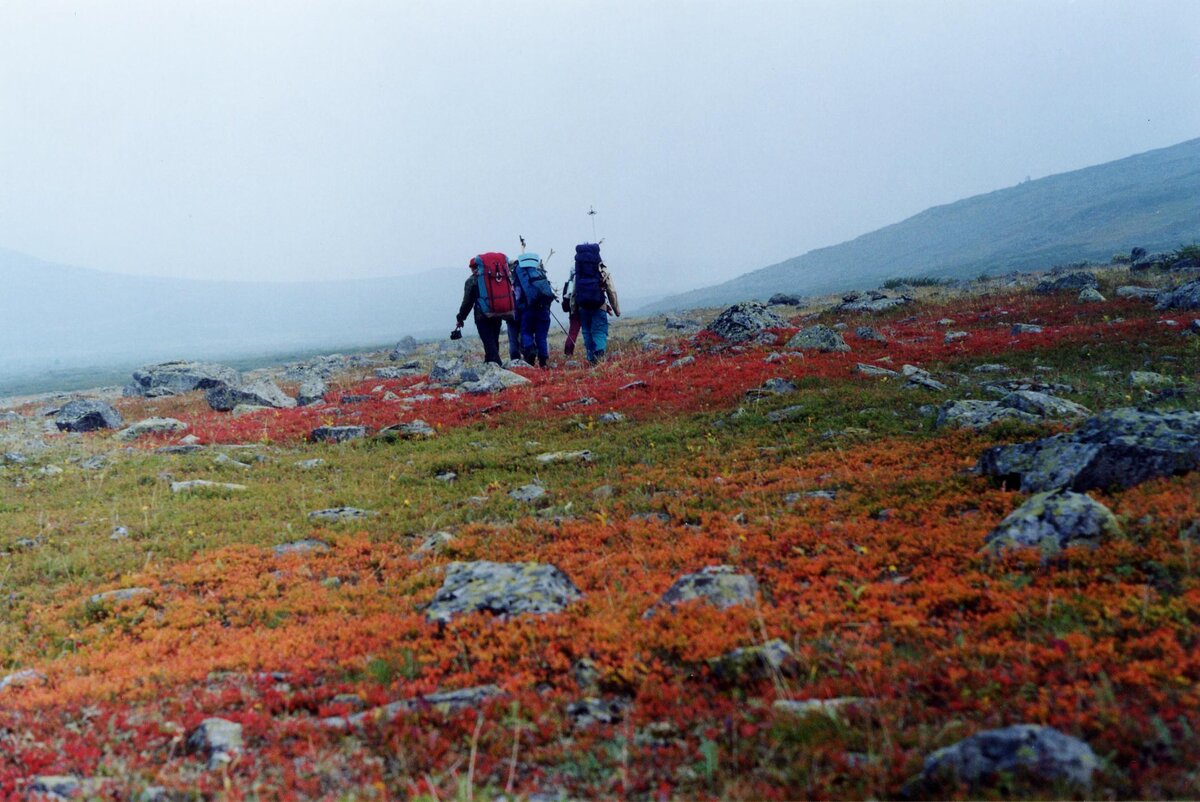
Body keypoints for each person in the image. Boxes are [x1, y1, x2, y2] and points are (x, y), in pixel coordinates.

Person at [455, 256, 511, 365]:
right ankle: (490, 362)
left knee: (488, 340)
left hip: (482, 316)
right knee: (494, 339)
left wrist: (460, 318)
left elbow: (467, 302)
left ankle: (496, 363)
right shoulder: (494, 278)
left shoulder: (471, 280)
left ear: (472, 268)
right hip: (496, 312)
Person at [572, 243, 620, 363]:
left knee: (587, 331)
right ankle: (599, 354)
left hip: (583, 307)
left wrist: (574, 309)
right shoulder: (601, 268)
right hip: (599, 305)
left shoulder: (578, 272)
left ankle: (591, 358)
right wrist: (616, 310)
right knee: (599, 330)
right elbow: (611, 290)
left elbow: (574, 292)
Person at [562, 270, 582, 357]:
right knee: (590, 332)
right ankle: (594, 354)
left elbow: (565, 304)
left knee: (572, 333)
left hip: (573, 313)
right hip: (587, 309)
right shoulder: (585, 279)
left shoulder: (568, 285)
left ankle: (568, 353)